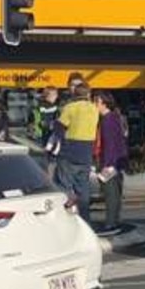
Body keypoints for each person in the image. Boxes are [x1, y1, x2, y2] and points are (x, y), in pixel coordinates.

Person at [53, 83, 99, 223]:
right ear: (88, 94)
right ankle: (85, 220)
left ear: (74, 94)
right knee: (83, 187)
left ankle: (66, 219)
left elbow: (59, 128)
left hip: (70, 150)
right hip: (86, 152)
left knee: (63, 184)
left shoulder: (70, 107)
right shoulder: (94, 109)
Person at [93, 91, 129, 235]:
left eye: (96, 101)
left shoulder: (107, 120)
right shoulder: (114, 118)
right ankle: (113, 220)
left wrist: (107, 164)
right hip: (115, 162)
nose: (94, 104)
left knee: (111, 193)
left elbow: (109, 144)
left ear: (104, 103)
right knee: (114, 193)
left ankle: (111, 223)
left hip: (110, 162)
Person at [29, 87, 61, 176]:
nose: (57, 97)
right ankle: (49, 179)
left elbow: (31, 122)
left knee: (41, 160)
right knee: (51, 160)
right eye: (55, 95)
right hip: (50, 136)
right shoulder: (54, 108)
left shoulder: (37, 107)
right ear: (49, 96)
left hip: (38, 135)